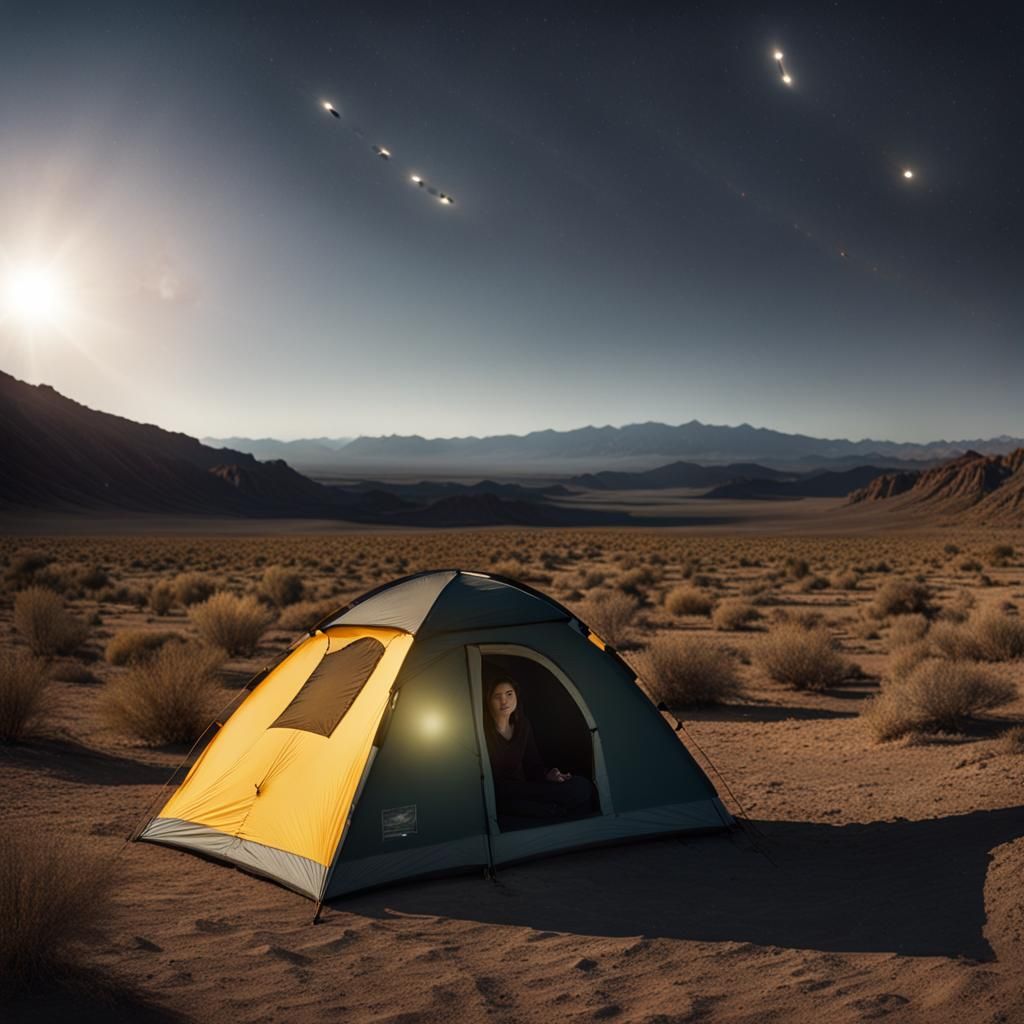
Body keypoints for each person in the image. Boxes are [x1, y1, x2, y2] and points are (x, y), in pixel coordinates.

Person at [483, 676, 596, 824]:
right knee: (510, 803)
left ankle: (548, 810)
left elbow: (533, 765)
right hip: (499, 795)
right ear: (488, 700)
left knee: (581, 786)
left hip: (527, 790)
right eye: (497, 697)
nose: (504, 701)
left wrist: (548, 775)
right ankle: (550, 810)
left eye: (509, 694)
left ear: (516, 695)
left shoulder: (523, 726)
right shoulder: (482, 732)